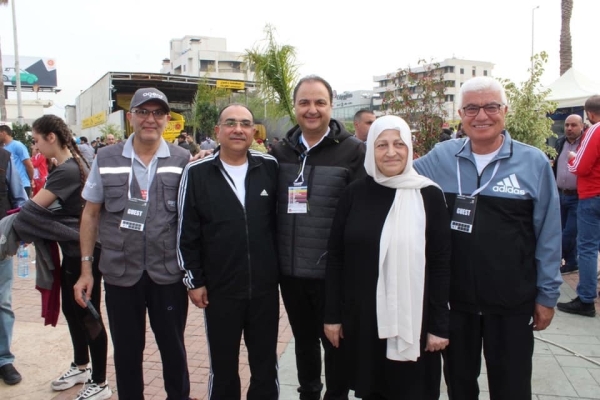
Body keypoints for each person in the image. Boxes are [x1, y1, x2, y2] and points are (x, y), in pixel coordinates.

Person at [414, 76, 562, 399]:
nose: (481, 116)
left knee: (512, 388)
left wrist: (547, 296)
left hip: (512, 303)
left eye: (491, 107)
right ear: (460, 114)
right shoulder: (441, 157)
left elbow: (549, 234)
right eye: (471, 108)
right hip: (456, 302)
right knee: (460, 387)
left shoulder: (533, 162)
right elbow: (395, 171)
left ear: (505, 111)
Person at [74, 88, 194, 399]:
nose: (150, 119)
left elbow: (192, 219)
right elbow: (90, 214)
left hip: (167, 273)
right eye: (143, 112)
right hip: (120, 273)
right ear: (131, 117)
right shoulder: (106, 158)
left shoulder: (182, 159)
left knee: (174, 350)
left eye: (158, 113)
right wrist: (86, 270)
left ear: (166, 119)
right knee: (127, 353)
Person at [324, 115, 451, 399]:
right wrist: (332, 316)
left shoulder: (429, 196)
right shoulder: (354, 194)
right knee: (372, 390)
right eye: (381, 145)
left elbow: (441, 264)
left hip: (415, 321)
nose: (391, 152)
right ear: (371, 149)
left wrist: (439, 325)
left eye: (398, 144)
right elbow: (336, 258)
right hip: (365, 321)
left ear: (409, 148)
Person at [270, 75, 366, 400]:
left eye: (319, 102)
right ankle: (308, 393)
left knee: (336, 342)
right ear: (295, 107)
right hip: (290, 272)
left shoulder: (354, 152)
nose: (312, 109)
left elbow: (362, 213)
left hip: (332, 274)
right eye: (305, 102)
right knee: (303, 341)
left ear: (331, 106)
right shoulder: (280, 152)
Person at [178, 104, 279, 400]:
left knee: (265, 366)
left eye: (245, 124)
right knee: (223, 369)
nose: (238, 129)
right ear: (217, 131)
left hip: (264, 290)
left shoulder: (269, 167)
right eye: (230, 123)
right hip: (220, 290)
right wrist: (194, 280)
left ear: (253, 131)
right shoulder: (197, 172)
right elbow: (186, 230)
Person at [16, 115, 111, 400]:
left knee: (88, 314)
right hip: (74, 252)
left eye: (36, 140)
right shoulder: (71, 165)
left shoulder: (67, 171)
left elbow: (29, 212)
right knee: (72, 311)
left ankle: (100, 381)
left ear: (51, 137)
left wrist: (55, 226)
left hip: (84, 253)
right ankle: (81, 366)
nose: (35, 148)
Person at [557, 95, 600, 317]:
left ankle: (586, 299)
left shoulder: (594, 131)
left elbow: (580, 167)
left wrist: (573, 158)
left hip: (592, 195)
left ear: (589, 114)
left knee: (587, 248)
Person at [0, 148, 28, 386]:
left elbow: (20, 200)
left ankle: (3, 359)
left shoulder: (4, 158)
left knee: (2, 302)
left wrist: (19, 232)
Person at [552, 114, 584, 275]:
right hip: (560, 194)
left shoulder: (585, 144)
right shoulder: (560, 143)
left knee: (570, 232)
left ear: (582, 126)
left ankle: (553, 259)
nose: (569, 128)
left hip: (578, 196)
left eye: (573, 125)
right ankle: (572, 262)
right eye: (567, 125)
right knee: (561, 229)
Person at [0, 125, 34, 197]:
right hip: (9, 186)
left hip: (22, 185)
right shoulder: (3, 148)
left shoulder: (18, 145)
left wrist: (31, 179)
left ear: (3, 133)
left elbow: (29, 165)